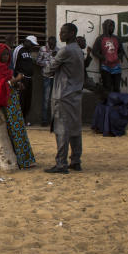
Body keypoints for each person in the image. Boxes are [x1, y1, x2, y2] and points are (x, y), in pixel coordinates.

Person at [46, 23, 84, 174]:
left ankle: (61, 163)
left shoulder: (65, 51)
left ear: (72, 33)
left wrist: (53, 61)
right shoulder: (78, 50)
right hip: (75, 94)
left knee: (62, 130)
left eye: (64, 32)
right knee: (75, 128)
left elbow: (48, 70)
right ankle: (76, 160)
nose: (61, 34)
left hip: (62, 95)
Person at [92, 19, 125, 95]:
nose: (112, 28)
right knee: (107, 87)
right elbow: (94, 51)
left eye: (113, 26)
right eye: (110, 26)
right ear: (105, 27)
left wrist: (117, 56)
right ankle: (108, 104)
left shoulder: (117, 38)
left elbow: (121, 51)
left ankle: (116, 104)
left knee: (116, 87)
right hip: (105, 67)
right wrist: (104, 58)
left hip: (116, 67)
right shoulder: (100, 38)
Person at [11, 36, 39, 122]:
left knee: (27, 100)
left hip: (29, 79)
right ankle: (18, 120)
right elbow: (14, 64)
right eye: (31, 44)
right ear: (26, 41)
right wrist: (15, 79)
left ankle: (24, 119)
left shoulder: (28, 51)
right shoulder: (18, 49)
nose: (32, 46)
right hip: (21, 79)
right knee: (21, 100)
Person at [36, 37, 57, 127]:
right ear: (48, 43)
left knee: (55, 99)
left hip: (56, 77)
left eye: (54, 44)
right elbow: (38, 61)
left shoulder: (58, 50)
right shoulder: (43, 49)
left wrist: (56, 57)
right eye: (51, 44)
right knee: (46, 99)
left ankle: (54, 121)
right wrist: (48, 61)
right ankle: (44, 120)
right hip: (46, 76)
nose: (52, 45)